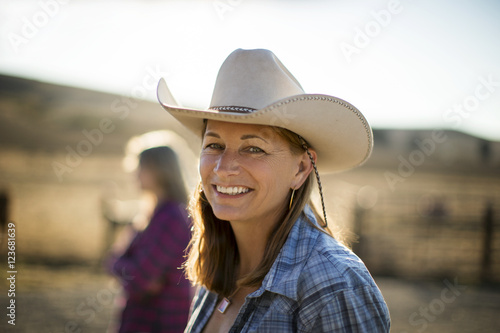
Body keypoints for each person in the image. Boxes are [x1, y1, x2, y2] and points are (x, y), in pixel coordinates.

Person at [157, 49, 390, 332]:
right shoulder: (220, 267)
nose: (223, 167)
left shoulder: (335, 285)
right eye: (214, 145)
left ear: (301, 169)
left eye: (254, 148)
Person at [107, 146, 192, 333]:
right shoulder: (151, 214)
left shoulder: (172, 218)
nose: (135, 174)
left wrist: (124, 268)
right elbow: (114, 261)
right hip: (141, 319)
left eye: (141, 168)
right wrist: (127, 268)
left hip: (162, 322)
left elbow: (140, 279)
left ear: (160, 171)